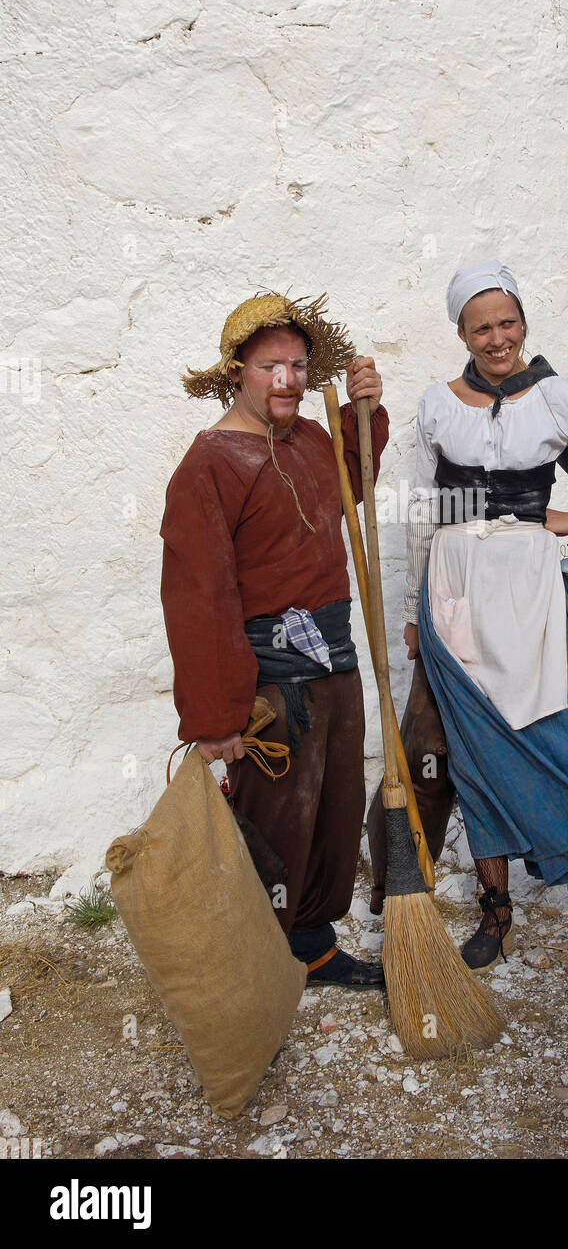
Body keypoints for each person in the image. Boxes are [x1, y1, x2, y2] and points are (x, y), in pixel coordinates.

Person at [400, 260, 568, 975]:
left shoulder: (554, 397)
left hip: (529, 585)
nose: (496, 339)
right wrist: (411, 612)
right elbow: (422, 513)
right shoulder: (435, 404)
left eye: (507, 323)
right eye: (481, 326)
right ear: (459, 331)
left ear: (523, 324)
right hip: (455, 588)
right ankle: (496, 911)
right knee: (479, 755)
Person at [160, 291, 389, 986]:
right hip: (271, 684)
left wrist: (364, 414)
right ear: (236, 372)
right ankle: (252, 975)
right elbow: (199, 600)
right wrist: (217, 720)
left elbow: (351, 487)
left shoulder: (312, 437)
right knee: (275, 825)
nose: (287, 380)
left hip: (336, 663)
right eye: (269, 367)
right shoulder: (209, 466)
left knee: (332, 812)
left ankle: (312, 947)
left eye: (296, 365)